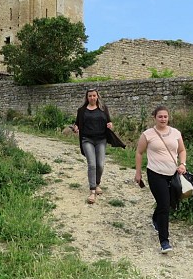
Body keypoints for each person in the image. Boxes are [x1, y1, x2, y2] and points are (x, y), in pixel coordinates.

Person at [134, 105, 187, 253]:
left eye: (165, 116)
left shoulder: (175, 133)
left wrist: (182, 164)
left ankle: (156, 219)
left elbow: (182, 150)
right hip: (155, 173)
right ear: (155, 118)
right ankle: (164, 241)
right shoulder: (147, 134)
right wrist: (138, 173)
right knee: (164, 205)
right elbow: (139, 152)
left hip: (172, 174)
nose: (163, 119)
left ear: (168, 117)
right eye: (160, 116)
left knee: (168, 203)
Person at [73, 88, 124, 204]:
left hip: (101, 140)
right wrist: (76, 128)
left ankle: (97, 183)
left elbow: (109, 122)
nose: (92, 98)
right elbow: (77, 123)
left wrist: (111, 125)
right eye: (90, 96)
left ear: (97, 97)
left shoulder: (103, 109)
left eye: (94, 95)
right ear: (87, 97)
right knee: (92, 164)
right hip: (87, 140)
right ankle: (92, 191)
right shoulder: (81, 110)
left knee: (100, 165)